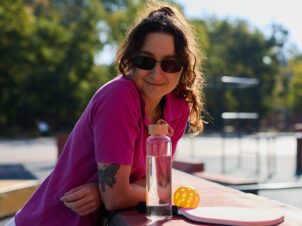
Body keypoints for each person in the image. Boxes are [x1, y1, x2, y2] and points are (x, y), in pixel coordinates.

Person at [9, 1, 205, 225]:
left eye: (170, 64)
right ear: (131, 60)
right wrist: (158, 192)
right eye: (145, 61)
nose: (157, 73)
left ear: (183, 68)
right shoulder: (119, 97)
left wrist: (106, 190)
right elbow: (125, 196)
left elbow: (148, 181)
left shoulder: (177, 108)